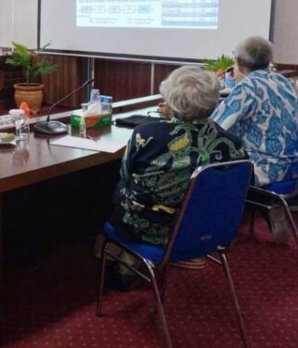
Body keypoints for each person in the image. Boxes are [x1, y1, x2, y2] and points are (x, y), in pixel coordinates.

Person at [108, 66, 246, 275]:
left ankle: (123, 255)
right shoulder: (232, 143)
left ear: (170, 99)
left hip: (149, 229)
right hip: (209, 228)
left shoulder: (146, 135)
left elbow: (125, 176)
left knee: (110, 185)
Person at [211, 36, 298, 243]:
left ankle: (217, 232)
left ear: (239, 61)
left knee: (208, 160)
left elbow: (215, 126)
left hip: (263, 169)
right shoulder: (282, 81)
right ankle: (267, 205)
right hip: (292, 167)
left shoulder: (248, 87)